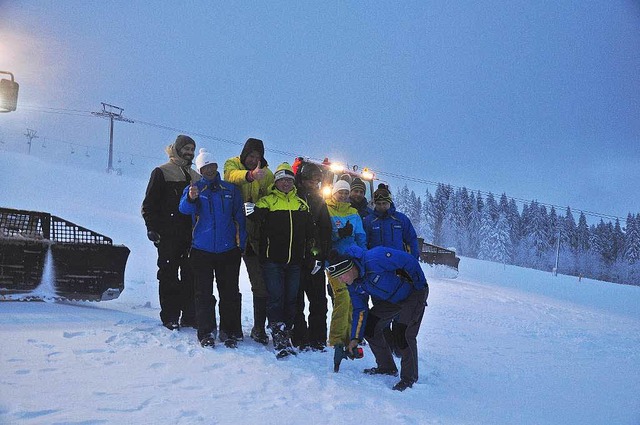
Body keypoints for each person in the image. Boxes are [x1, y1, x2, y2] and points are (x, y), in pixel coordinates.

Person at [327, 245, 429, 391]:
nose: (341, 281)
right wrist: (355, 338)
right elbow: (360, 310)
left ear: (349, 269)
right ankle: (386, 367)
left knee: (403, 333)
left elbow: (408, 261)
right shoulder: (354, 285)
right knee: (370, 327)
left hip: (413, 293)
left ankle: (409, 378)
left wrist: (419, 287)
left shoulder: (375, 258)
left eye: (341, 277)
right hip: (391, 300)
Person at [245, 163, 318, 358]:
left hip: (295, 261)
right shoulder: (267, 201)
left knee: (291, 299)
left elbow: (310, 232)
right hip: (272, 261)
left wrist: (311, 254)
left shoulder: (301, 204)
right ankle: (278, 335)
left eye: (288, 180)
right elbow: (254, 222)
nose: (285, 183)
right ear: (276, 182)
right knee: (276, 298)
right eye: (281, 180)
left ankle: (287, 332)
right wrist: (252, 211)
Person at [179, 149, 246, 348]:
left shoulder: (230, 190)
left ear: (217, 166)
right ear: (200, 169)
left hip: (228, 251)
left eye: (212, 166)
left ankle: (229, 330)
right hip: (202, 250)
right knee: (203, 294)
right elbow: (184, 209)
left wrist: (240, 245)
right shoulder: (195, 188)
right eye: (205, 167)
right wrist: (191, 198)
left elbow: (239, 219)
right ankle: (206, 331)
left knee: (230, 293)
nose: (209, 170)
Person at [141, 135, 200, 330]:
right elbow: (149, 204)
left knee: (190, 275)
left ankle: (190, 316)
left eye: (192, 149)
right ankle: (170, 316)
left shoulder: (195, 176)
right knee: (169, 276)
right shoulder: (162, 172)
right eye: (186, 148)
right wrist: (152, 228)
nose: (189, 152)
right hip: (168, 234)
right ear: (177, 149)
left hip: (190, 235)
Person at [223, 138, 274, 345]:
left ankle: (259, 327)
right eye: (251, 155)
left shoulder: (267, 173)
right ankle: (231, 327)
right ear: (244, 155)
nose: (254, 160)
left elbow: (273, 193)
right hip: (231, 234)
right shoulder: (232, 164)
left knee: (260, 284)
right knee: (229, 283)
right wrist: (250, 176)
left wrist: (259, 206)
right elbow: (230, 176)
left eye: (258, 156)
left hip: (255, 237)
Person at [291, 162, 332, 351]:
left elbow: (325, 231)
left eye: (317, 181)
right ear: (302, 179)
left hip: (313, 259)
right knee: (296, 300)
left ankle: (318, 338)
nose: (313, 183)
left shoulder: (319, 201)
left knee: (318, 301)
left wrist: (320, 255)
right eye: (310, 180)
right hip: (295, 257)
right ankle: (299, 336)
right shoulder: (293, 196)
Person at [325, 179, 366, 357]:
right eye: (339, 192)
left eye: (345, 192)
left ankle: (350, 336)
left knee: (353, 298)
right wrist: (337, 235)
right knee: (342, 296)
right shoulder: (326, 210)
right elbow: (324, 235)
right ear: (334, 193)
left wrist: (363, 256)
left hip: (351, 261)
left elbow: (360, 237)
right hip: (335, 261)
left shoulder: (353, 213)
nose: (342, 195)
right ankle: (336, 339)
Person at [364, 184, 419, 258]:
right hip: (376, 263)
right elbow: (363, 243)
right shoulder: (369, 220)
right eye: (378, 204)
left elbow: (412, 240)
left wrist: (413, 260)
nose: (382, 206)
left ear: (389, 202)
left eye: (384, 203)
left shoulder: (401, 219)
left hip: (398, 263)